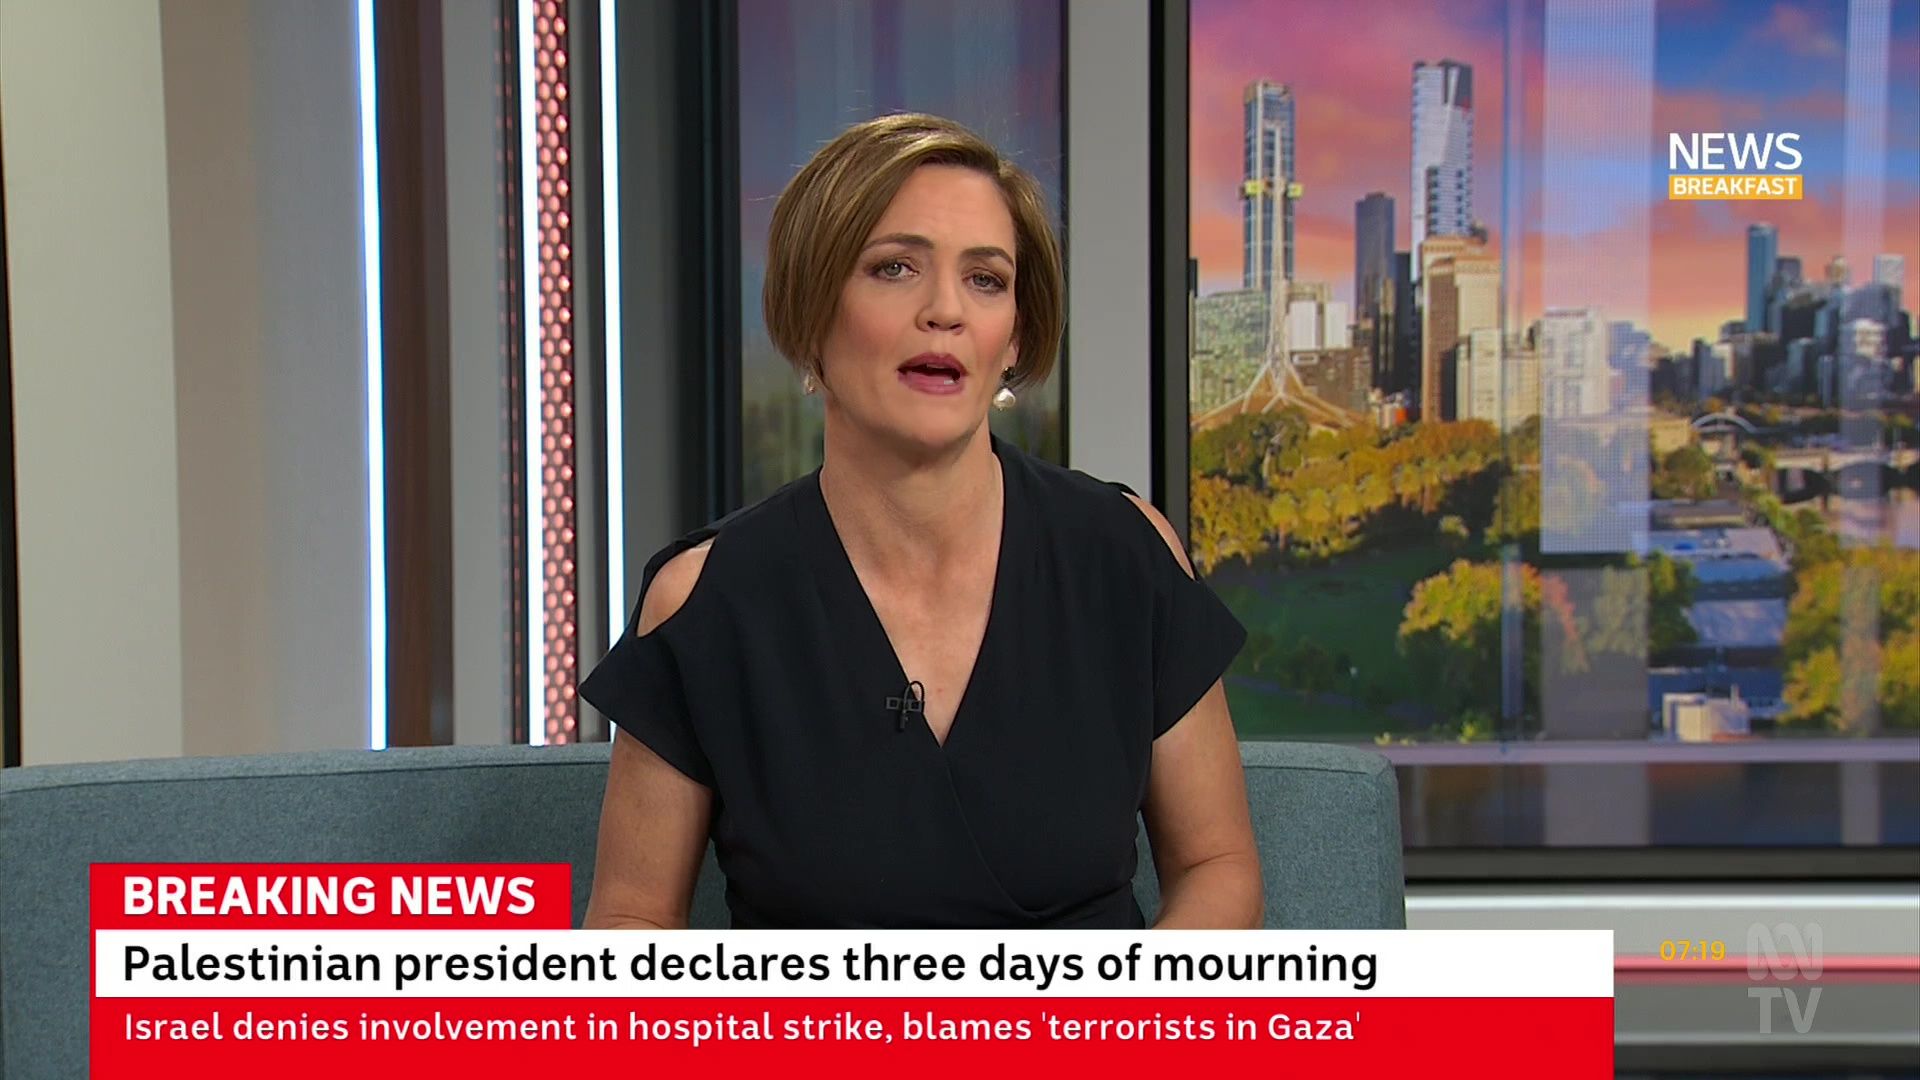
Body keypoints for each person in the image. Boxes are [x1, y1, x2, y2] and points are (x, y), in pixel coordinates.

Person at [578, 112, 1260, 929]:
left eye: (986, 279)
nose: (946, 310)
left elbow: (1217, 867)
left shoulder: (1121, 556)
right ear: (810, 310)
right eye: (894, 268)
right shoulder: (705, 603)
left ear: (1015, 338)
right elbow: (632, 924)